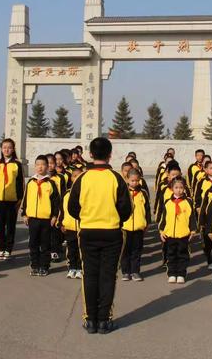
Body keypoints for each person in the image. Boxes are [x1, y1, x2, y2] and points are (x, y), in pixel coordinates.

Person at [68, 137, 131, 334]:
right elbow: (126, 208)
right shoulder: (116, 178)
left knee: (90, 275)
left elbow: (72, 208)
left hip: (87, 231)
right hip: (112, 232)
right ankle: (104, 320)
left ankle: (91, 320)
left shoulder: (83, 178)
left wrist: (87, 216)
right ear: (110, 154)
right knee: (108, 276)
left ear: (91, 154)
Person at [20, 155, 60, 277]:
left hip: (46, 219)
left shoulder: (51, 183)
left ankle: (44, 266)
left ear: (47, 167)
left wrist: (54, 216)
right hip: (33, 219)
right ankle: (35, 265)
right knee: (33, 243)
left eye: (43, 164)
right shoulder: (31, 183)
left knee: (45, 243)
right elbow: (26, 199)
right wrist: (24, 214)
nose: (40, 167)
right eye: (37, 164)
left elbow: (55, 202)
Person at [158, 177, 196, 284]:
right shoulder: (168, 202)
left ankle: (181, 274)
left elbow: (192, 217)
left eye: (181, 187)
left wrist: (193, 230)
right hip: (170, 234)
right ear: (172, 188)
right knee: (171, 255)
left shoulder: (188, 201)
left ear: (184, 189)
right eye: (176, 187)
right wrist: (161, 231)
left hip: (183, 234)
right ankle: (171, 273)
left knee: (182, 255)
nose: (179, 190)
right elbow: (163, 218)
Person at [0, 138, 24, 260]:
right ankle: (0, 248)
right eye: (4, 147)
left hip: (12, 200)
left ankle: (8, 249)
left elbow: (20, 183)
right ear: (1, 149)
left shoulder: (17, 165)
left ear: (13, 149)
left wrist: (20, 198)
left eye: (9, 147)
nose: (6, 149)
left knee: (10, 225)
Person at [121, 168, 151, 282]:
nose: (135, 183)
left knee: (136, 250)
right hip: (125, 227)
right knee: (125, 251)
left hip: (139, 226)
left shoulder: (143, 193)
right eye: (132, 180)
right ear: (127, 179)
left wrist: (147, 223)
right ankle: (126, 272)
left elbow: (147, 209)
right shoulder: (123, 192)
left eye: (137, 180)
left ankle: (135, 271)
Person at [59, 168, 83, 279]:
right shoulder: (67, 194)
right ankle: (72, 267)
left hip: (82, 227)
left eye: (79, 175)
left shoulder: (85, 192)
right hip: (69, 226)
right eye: (74, 175)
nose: (76, 178)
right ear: (71, 177)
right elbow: (62, 210)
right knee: (71, 248)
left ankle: (80, 268)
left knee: (81, 249)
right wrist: (61, 223)